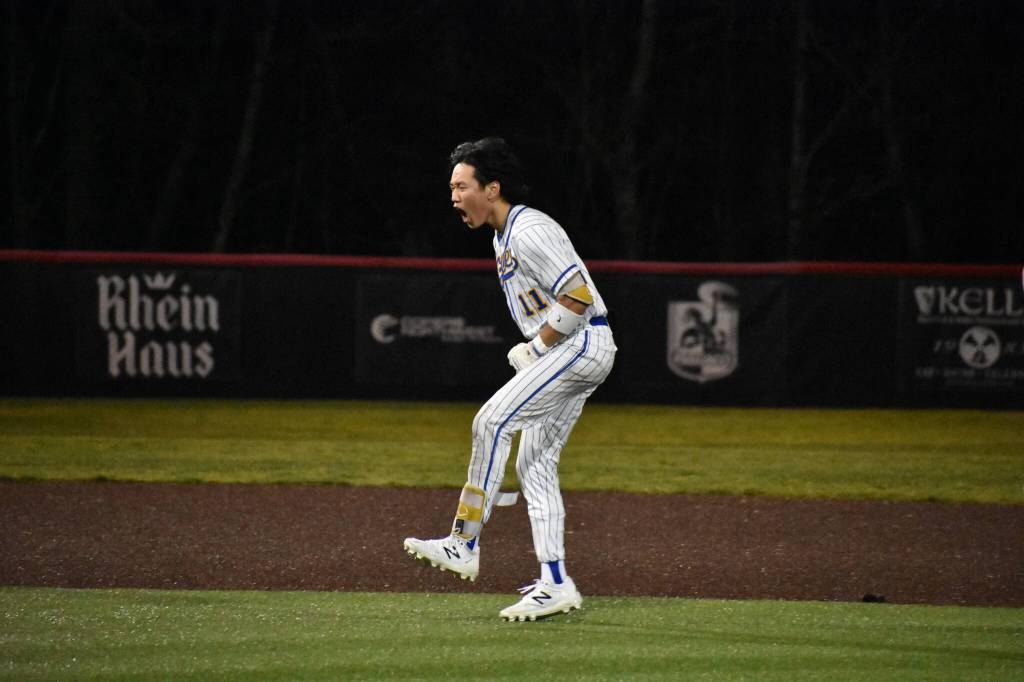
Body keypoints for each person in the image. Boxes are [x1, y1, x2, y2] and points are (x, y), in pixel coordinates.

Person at [403, 137, 617, 621]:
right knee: (535, 464)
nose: (454, 197)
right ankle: (555, 583)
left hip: (580, 343)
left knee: (491, 421)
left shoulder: (529, 229)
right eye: (452, 188)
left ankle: (463, 542)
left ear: (492, 188)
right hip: (573, 348)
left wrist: (537, 347)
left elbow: (578, 295)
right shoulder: (501, 237)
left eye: (462, 186)